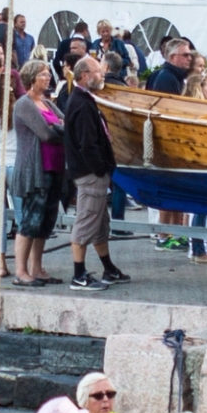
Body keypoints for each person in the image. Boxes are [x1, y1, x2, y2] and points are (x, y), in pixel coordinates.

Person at [58, 55, 124, 287]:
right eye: (97, 71)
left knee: (100, 223)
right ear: (85, 75)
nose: (102, 74)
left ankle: (109, 268)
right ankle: (79, 275)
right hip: (90, 174)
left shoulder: (85, 100)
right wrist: (100, 169)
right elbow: (88, 144)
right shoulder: (82, 104)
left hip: (93, 173)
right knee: (86, 222)